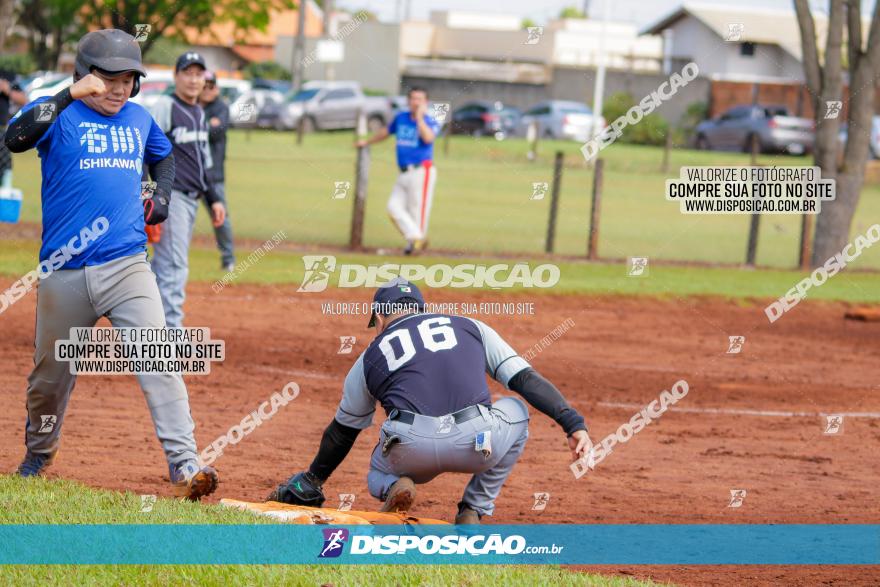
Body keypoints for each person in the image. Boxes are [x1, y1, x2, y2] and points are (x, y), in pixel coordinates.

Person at [3, 29, 218, 499]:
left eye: (129, 79)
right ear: (84, 76)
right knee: (48, 379)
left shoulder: (139, 120)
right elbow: (14, 137)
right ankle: (40, 452)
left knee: (158, 355)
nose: (120, 88)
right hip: (64, 272)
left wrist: (160, 193)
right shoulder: (59, 115)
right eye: (109, 78)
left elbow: (165, 160)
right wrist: (67, 95)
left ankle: (185, 463)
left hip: (127, 267)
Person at [268, 279, 592, 524]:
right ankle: (473, 510)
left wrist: (315, 477)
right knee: (517, 410)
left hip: (410, 449)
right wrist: (572, 424)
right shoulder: (470, 326)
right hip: (477, 444)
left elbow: (343, 431)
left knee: (376, 473)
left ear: (380, 318)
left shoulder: (369, 357)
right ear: (420, 308)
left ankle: (394, 484)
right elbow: (525, 380)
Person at [148, 52, 226, 327]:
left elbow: (203, 162)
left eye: (198, 74)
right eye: (187, 73)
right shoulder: (165, 106)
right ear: (176, 76)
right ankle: (170, 332)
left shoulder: (198, 113)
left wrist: (214, 199)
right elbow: (146, 150)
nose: (194, 80)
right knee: (174, 267)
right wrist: (152, 196)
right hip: (172, 198)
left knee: (163, 266)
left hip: (192, 200)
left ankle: (146, 325)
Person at [356, 87, 439, 255]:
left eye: (419, 99)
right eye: (413, 98)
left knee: (417, 209)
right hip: (403, 171)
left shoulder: (430, 121)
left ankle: (414, 245)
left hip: (421, 170)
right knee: (393, 207)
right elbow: (386, 132)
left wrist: (420, 118)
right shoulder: (401, 118)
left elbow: (428, 138)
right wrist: (367, 142)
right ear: (408, 101)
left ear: (425, 103)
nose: (416, 102)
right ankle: (416, 238)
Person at [198, 70, 235, 271]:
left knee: (220, 217)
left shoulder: (221, 107)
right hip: (189, 173)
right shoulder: (190, 105)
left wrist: (199, 126)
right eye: (204, 84)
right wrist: (205, 124)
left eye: (211, 85)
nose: (207, 89)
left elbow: (216, 131)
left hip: (213, 174)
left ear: (217, 88)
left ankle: (228, 257)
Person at [0, 69, 27, 187]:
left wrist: (7, 90)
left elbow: (24, 100)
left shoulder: (7, 75)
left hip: (1, 133)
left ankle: (5, 202)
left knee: (6, 172)